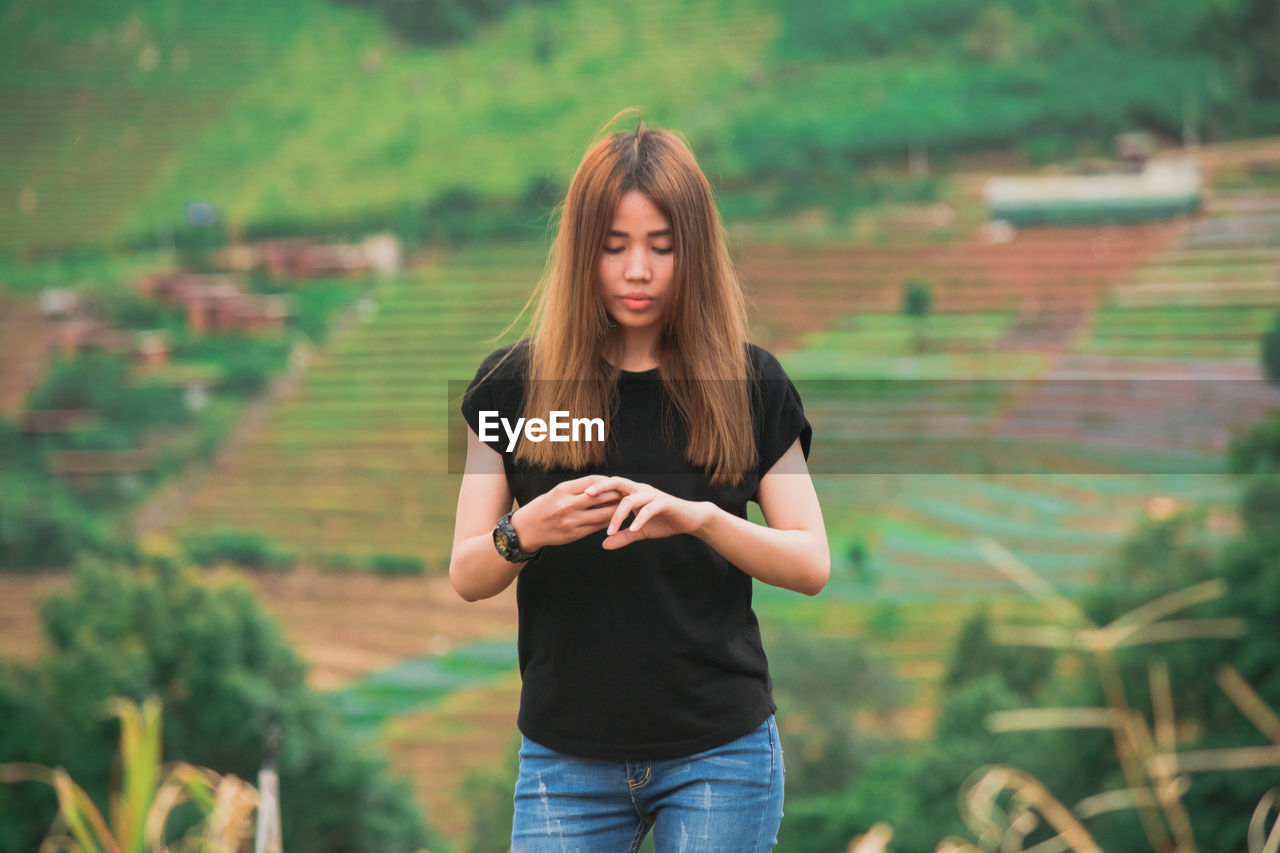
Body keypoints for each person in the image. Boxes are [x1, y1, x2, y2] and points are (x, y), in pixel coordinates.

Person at [449, 110, 829, 852]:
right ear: (580, 251)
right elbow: (467, 571)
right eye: (614, 246)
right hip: (564, 757)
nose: (637, 271)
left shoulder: (749, 385)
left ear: (696, 252)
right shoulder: (513, 389)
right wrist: (528, 530)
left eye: (662, 246)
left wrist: (701, 519)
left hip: (721, 751)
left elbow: (811, 561)